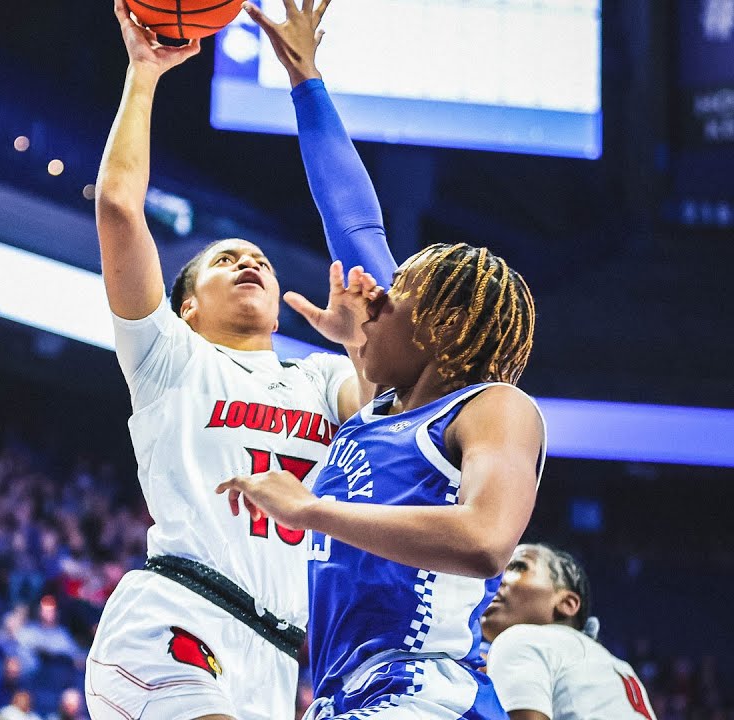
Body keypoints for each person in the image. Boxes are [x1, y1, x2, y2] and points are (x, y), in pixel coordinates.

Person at [216, 3, 546, 718]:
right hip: (346, 696)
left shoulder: (495, 408)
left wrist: (314, 509)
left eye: (390, 298)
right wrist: (305, 79)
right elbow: (354, 223)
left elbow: (487, 540)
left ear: (440, 329)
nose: (372, 295)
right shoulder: (386, 401)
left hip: (424, 692)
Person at [83, 0, 391, 718]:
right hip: (175, 617)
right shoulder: (168, 357)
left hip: (277, 661)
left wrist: (359, 340)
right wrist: (145, 74)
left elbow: (397, 405)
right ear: (186, 304)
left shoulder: (320, 379)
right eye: (227, 260)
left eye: (259, 260)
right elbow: (120, 212)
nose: (250, 263)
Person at [482, 544, 658, 720]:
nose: (496, 579)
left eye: (518, 566)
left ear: (567, 603)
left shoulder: (522, 638)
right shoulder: (617, 667)